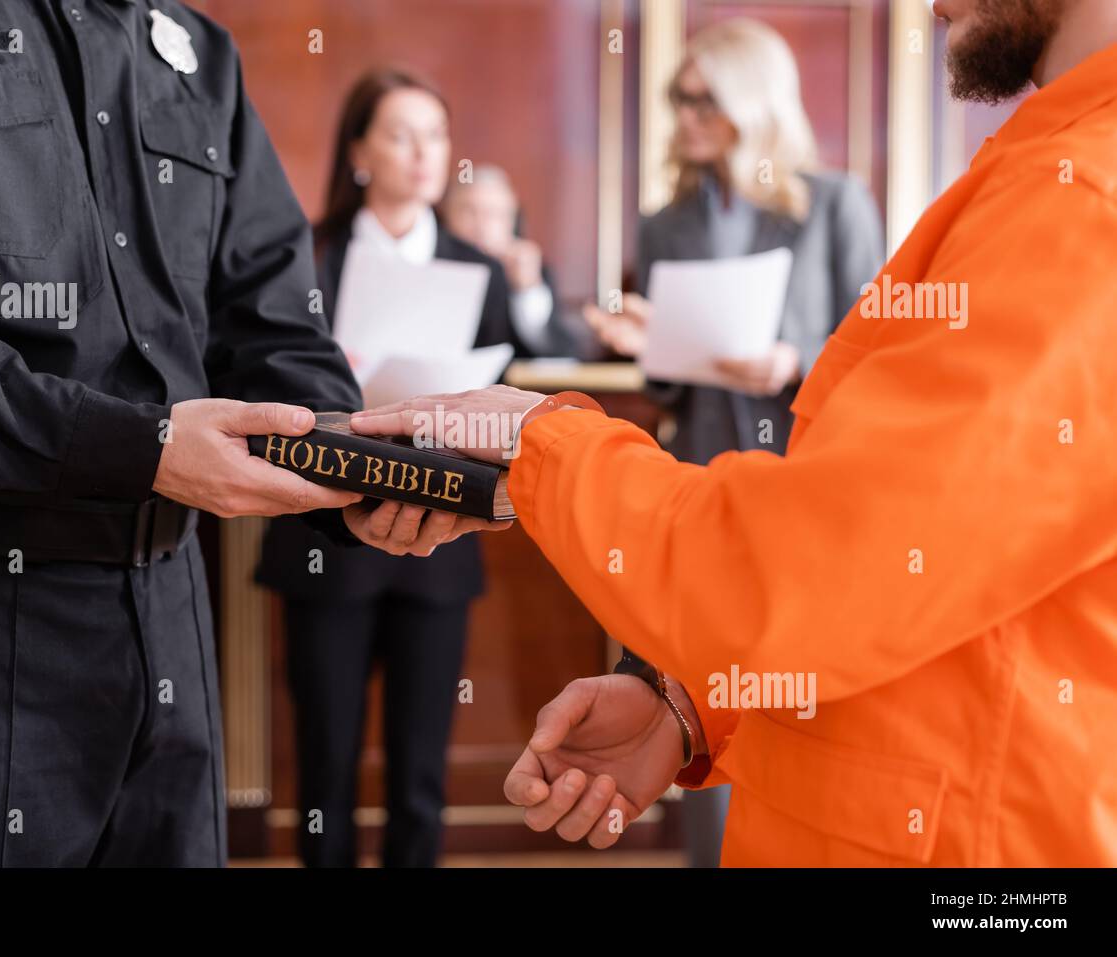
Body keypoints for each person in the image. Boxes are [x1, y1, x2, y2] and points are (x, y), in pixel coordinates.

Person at [351, 0, 1117, 866]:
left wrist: (540, 439)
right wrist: (696, 711)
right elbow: (930, 581)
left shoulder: (1081, 203)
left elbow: (841, 558)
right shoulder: (1052, 178)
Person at [0, 0, 488, 867]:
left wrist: (360, 467)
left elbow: (273, 321)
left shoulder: (197, 50)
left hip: (168, 613)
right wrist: (138, 447)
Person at [582, 17, 884, 864]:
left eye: (703, 100)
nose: (683, 117)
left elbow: (880, 344)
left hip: (804, 480)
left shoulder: (835, 202)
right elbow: (668, 385)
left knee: (794, 700)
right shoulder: (665, 220)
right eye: (679, 99)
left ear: (752, 101)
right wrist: (652, 345)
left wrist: (793, 360)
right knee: (695, 694)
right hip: (697, 477)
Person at [255, 67, 515, 868]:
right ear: (360, 149)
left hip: (440, 529)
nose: (422, 153)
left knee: (419, 769)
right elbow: (263, 371)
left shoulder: (480, 265)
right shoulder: (308, 253)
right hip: (323, 534)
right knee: (323, 761)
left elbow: (515, 378)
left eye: (435, 134)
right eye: (401, 134)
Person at [442, 165, 584, 357]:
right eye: (469, 211)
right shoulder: (431, 265)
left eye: (494, 214)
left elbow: (558, 350)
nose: (482, 225)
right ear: (446, 216)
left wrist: (527, 291)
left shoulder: (536, 274)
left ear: (512, 221)